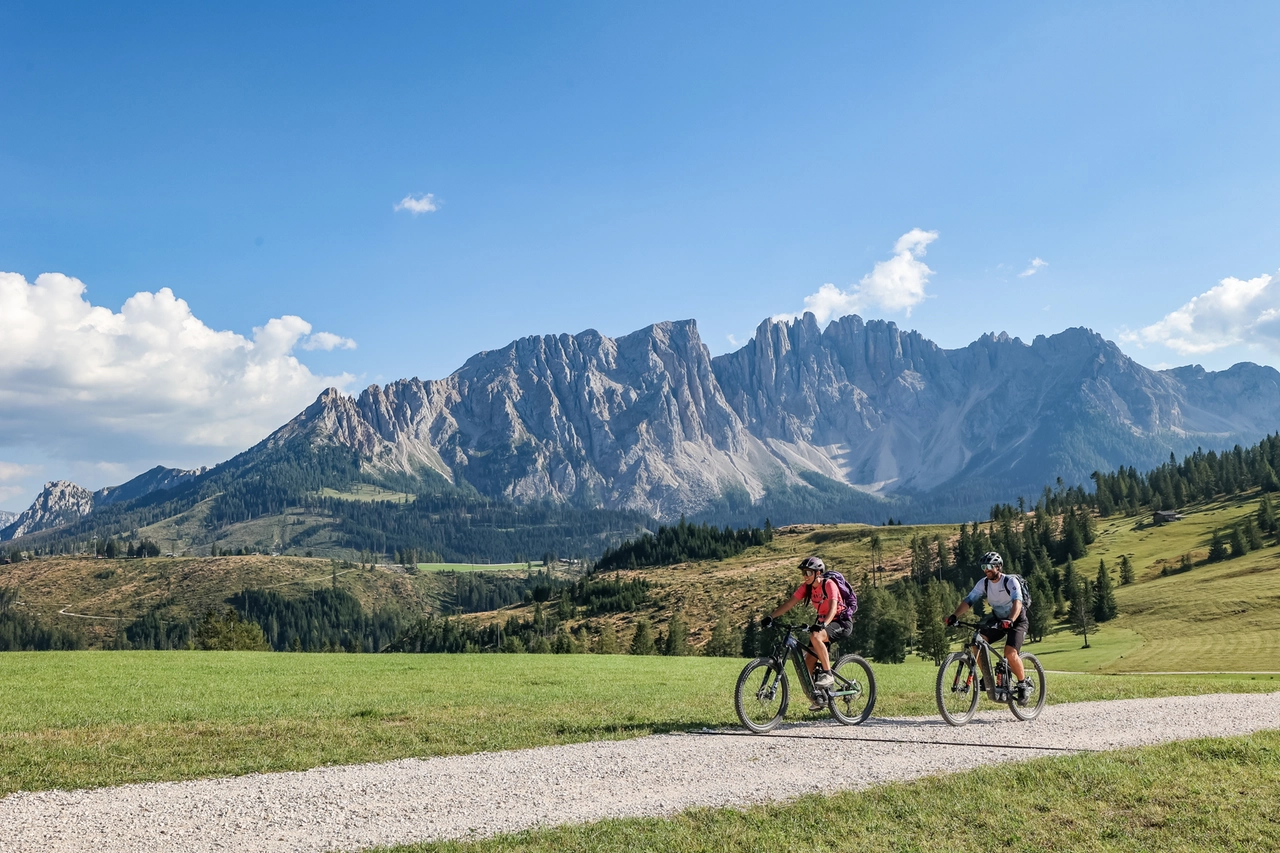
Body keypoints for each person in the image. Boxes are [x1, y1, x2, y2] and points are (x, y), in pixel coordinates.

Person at [763, 556, 851, 710]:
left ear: (818, 573)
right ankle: (820, 698)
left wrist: (823, 624)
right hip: (823, 622)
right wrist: (771, 617)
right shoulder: (807, 587)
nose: (805, 576)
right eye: (803, 572)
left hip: (840, 621)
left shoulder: (829, 584)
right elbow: (790, 603)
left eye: (808, 572)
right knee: (808, 663)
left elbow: (832, 608)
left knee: (815, 636)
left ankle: (828, 674)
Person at [944, 551, 1031, 700]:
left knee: (1010, 653)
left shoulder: (1010, 582)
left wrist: (1010, 619)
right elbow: (969, 600)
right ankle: (987, 677)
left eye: (990, 566)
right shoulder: (983, 583)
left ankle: (1023, 683)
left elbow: (1017, 602)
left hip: (1016, 620)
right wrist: (954, 616)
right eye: (984, 566)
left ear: (998, 567)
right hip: (999, 620)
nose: (986, 569)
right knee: (977, 642)